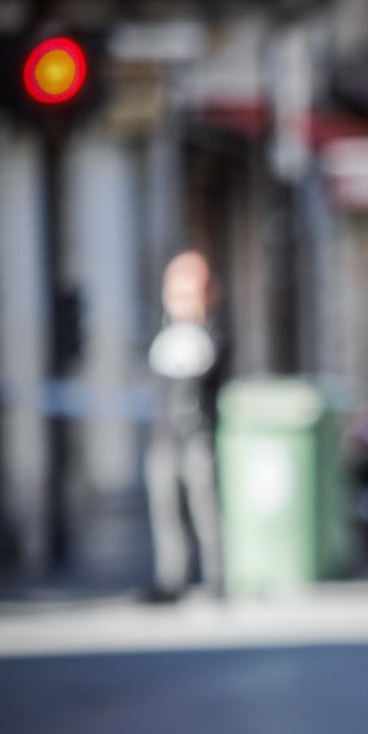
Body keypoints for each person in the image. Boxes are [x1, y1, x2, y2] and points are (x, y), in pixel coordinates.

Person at [144, 250, 227, 601]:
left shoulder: (215, 330)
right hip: (164, 435)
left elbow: (212, 370)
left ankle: (216, 579)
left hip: (199, 434)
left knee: (206, 506)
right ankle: (171, 579)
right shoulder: (161, 330)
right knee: (166, 507)